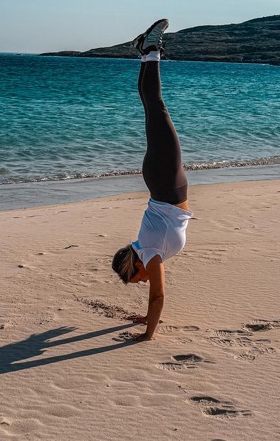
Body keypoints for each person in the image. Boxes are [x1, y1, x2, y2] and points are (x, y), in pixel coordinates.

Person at [111, 18, 192, 342]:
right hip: (163, 181)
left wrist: (147, 334)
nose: (144, 282)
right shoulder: (147, 250)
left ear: (135, 268)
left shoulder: (150, 254)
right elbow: (154, 296)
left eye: (137, 280)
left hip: (165, 181)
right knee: (152, 109)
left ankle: (151, 50)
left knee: (156, 107)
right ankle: (146, 52)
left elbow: (159, 296)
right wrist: (145, 316)